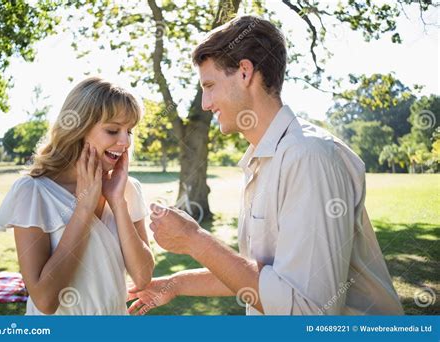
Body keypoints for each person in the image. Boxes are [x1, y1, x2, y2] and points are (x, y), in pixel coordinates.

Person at [127, 16, 404, 315]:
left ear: (245, 72)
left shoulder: (308, 157)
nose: (205, 103)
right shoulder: (265, 158)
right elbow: (266, 278)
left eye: (209, 85)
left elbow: (308, 312)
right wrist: (177, 284)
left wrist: (194, 240)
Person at [0, 77, 154, 315]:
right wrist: (84, 209)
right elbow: (45, 300)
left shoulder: (127, 189)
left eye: (129, 131)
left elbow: (143, 276)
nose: (125, 141)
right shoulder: (32, 192)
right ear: (78, 129)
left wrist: (117, 202)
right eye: (113, 130)